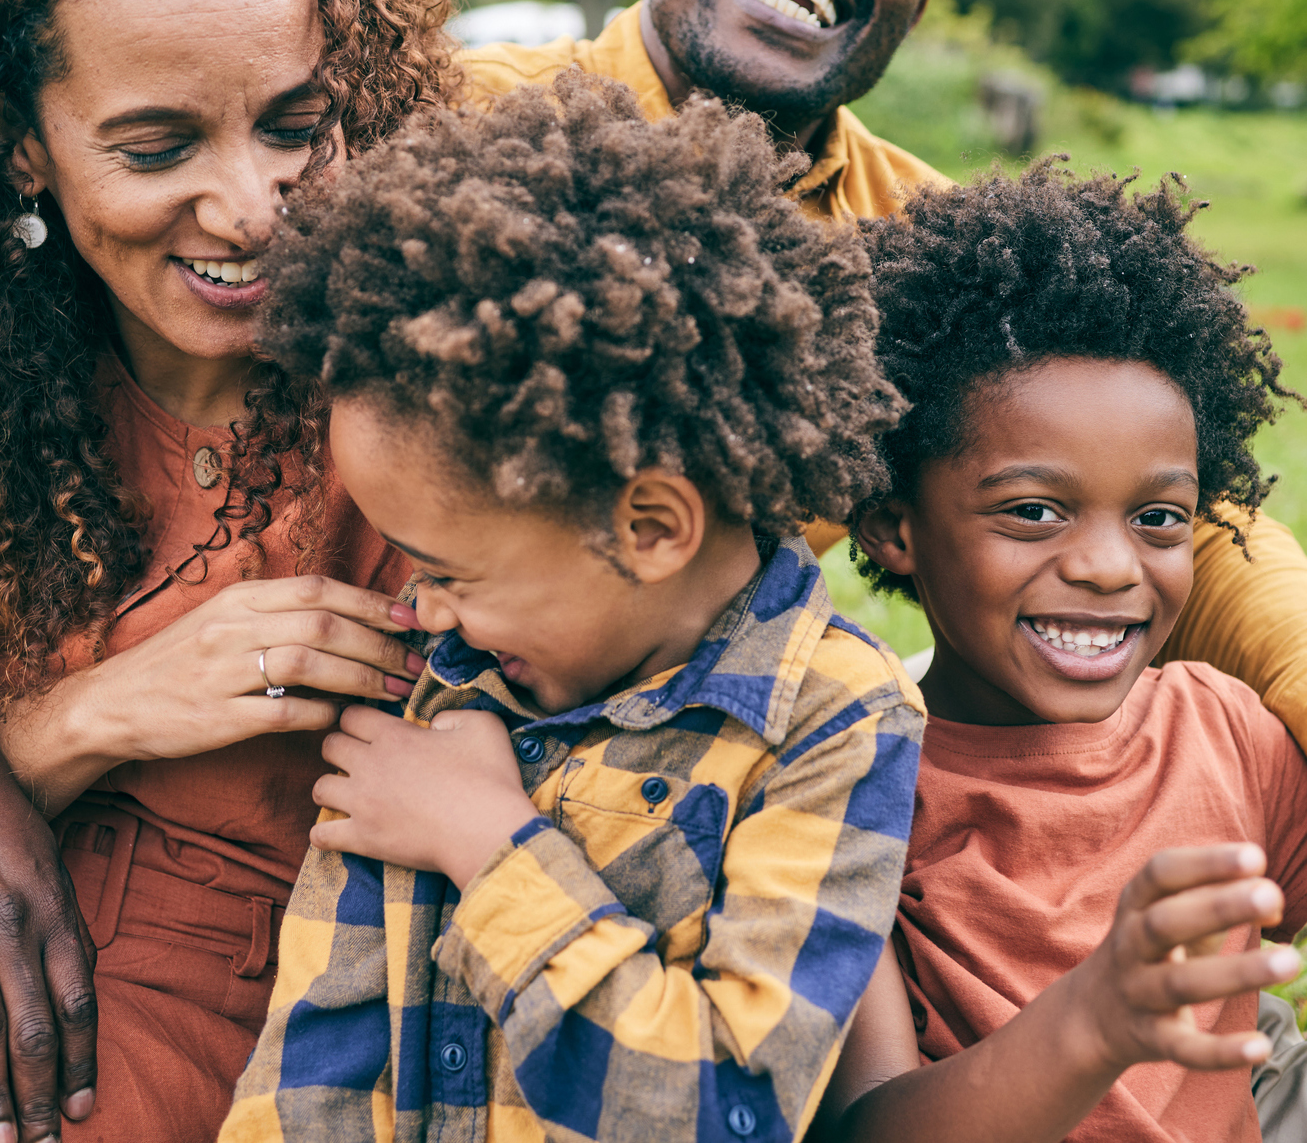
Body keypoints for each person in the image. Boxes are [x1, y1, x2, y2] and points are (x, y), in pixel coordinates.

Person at [456, 0, 1307, 733]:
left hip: (709, 785)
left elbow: (1171, 517)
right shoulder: (448, 121)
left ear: (913, 6)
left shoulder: (924, 243)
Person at [0, 0, 456, 1143]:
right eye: (156, 145)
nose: (249, 207)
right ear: (24, 147)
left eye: (298, 126)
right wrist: (87, 720)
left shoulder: (436, 404)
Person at [217, 73, 925, 1142]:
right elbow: (313, 1063)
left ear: (647, 528)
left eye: (450, 572)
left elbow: (722, 1109)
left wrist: (490, 846)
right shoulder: (449, 694)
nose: (425, 612)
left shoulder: (833, 722)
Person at [814, 167, 1307, 1142]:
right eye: (1032, 511)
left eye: (1157, 517)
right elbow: (863, 1128)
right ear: (890, 527)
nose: (1107, 566)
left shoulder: (1222, 732)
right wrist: (1091, 1021)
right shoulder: (849, 784)